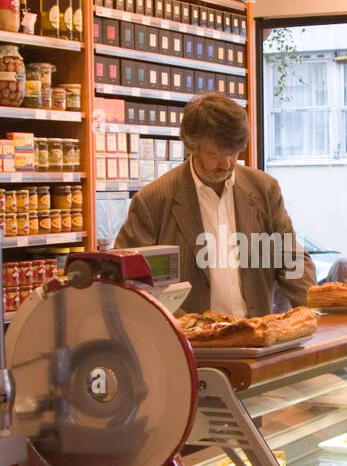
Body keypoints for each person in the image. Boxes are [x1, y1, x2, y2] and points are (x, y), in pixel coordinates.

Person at [114, 92, 315, 317]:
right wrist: (183, 324)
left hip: (256, 337)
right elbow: (129, 281)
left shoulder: (263, 189)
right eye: (215, 154)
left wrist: (315, 311)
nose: (227, 164)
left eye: (234, 153)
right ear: (192, 146)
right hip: (191, 344)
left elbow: (291, 259)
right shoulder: (153, 201)